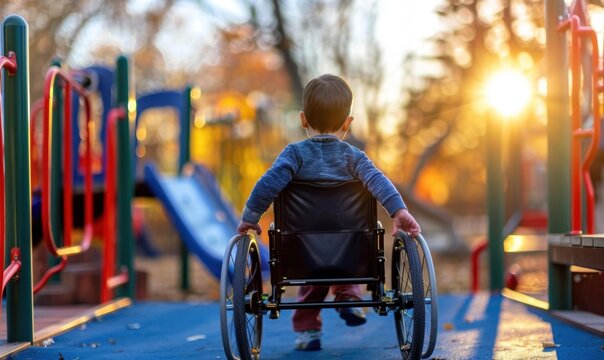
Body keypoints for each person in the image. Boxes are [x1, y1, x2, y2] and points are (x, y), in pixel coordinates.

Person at [237, 74, 421, 351]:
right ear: (348, 123)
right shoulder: (355, 158)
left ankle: (307, 329)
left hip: (300, 251)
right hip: (353, 250)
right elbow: (379, 182)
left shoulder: (293, 155)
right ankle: (349, 295)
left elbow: (268, 185)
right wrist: (398, 211)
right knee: (352, 246)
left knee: (312, 266)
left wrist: (250, 217)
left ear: (302, 120)